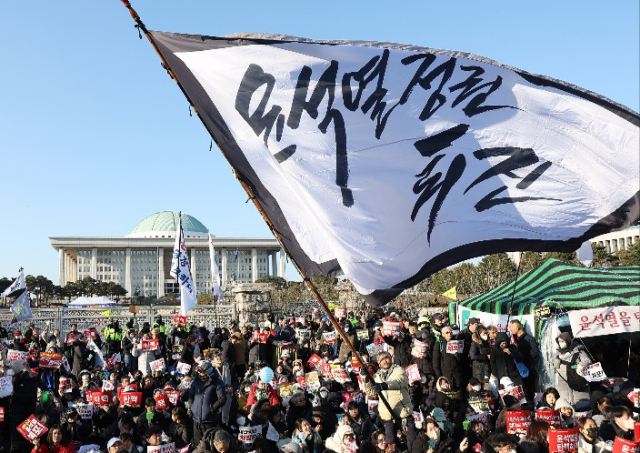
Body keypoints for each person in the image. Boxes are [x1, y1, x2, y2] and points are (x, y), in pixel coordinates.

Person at [362, 352, 415, 451]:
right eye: (382, 359)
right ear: (379, 363)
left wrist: (385, 385)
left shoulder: (398, 370)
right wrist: (366, 379)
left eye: (387, 358)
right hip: (387, 415)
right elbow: (370, 391)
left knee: (411, 441)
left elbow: (400, 382)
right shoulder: (377, 376)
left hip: (403, 412)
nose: (385, 361)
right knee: (391, 444)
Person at [189, 360, 228, 444]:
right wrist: (190, 407)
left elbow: (222, 399)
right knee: (197, 444)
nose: (199, 373)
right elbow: (191, 395)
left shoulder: (217, 382)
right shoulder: (196, 381)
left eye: (201, 371)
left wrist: (212, 409)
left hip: (209, 420)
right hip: (196, 419)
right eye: (198, 371)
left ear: (208, 371)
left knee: (209, 443)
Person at [554, 332, 592, 405]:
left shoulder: (578, 351)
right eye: (559, 341)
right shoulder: (558, 352)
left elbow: (587, 361)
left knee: (581, 406)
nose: (561, 343)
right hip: (564, 384)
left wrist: (580, 365)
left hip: (577, 381)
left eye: (562, 341)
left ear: (568, 340)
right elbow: (556, 366)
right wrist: (558, 358)